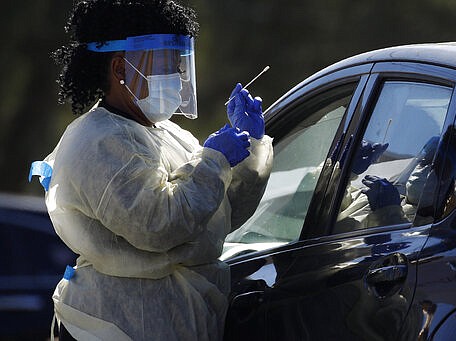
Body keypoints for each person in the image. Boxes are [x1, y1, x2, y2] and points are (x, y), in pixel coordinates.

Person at [28, 1, 273, 340]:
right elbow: (158, 225)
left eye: (178, 64)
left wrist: (250, 145)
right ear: (120, 69)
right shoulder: (97, 141)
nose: (177, 75)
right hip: (113, 327)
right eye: (164, 64)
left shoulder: (169, 134)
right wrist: (213, 161)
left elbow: (217, 216)